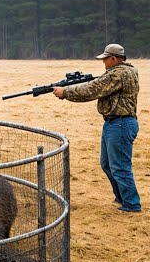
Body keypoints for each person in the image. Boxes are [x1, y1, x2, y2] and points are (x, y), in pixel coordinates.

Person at [53, 43, 140, 213]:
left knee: (120, 166)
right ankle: (122, 197)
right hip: (114, 123)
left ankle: (132, 204)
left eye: (105, 59)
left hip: (120, 124)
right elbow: (97, 85)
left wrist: (66, 92)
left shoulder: (119, 73)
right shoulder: (127, 70)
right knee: (107, 164)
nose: (104, 63)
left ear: (114, 59)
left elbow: (92, 90)